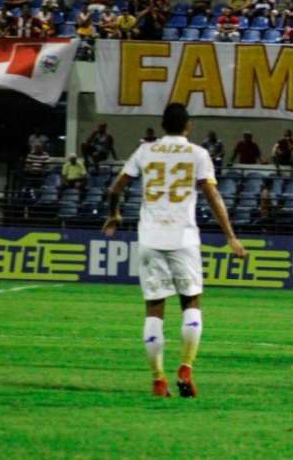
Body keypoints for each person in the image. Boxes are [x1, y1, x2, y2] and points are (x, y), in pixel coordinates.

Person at [103, 103, 246, 398]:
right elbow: (212, 194)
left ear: (162, 125)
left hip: (150, 238)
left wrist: (114, 214)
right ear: (188, 126)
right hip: (183, 238)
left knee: (154, 308)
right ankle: (186, 368)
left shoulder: (146, 151)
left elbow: (115, 189)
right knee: (191, 303)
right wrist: (230, 236)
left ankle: (158, 380)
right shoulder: (198, 154)